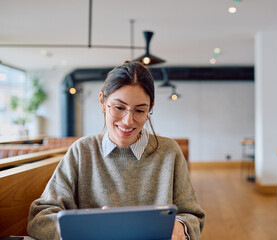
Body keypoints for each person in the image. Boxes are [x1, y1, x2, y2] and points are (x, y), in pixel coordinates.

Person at [27, 61, 205, 240]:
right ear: (103, 102)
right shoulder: (82, 152)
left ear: (150, 108)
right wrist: (88, 229)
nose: (128, 121)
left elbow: (193, 217)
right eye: (119, 107)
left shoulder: (169, 152)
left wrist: (181, 228)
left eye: (140, 110)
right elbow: (40, 219)